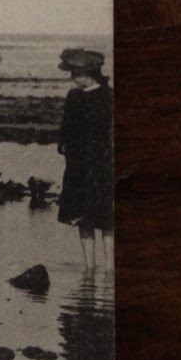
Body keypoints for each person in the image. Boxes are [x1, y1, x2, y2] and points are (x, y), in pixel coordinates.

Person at [55, 48, 113, 271]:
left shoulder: (107, 96)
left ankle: (110, 267)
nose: (74, 78)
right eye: (73, 74)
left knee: (107, 218)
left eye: (77, 74)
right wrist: (64, 147)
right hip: (77, 165)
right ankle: (90, 266)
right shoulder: (73, 96)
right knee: (82, 217)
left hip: (102, 163)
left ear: (91, 73)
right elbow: (66, 128)